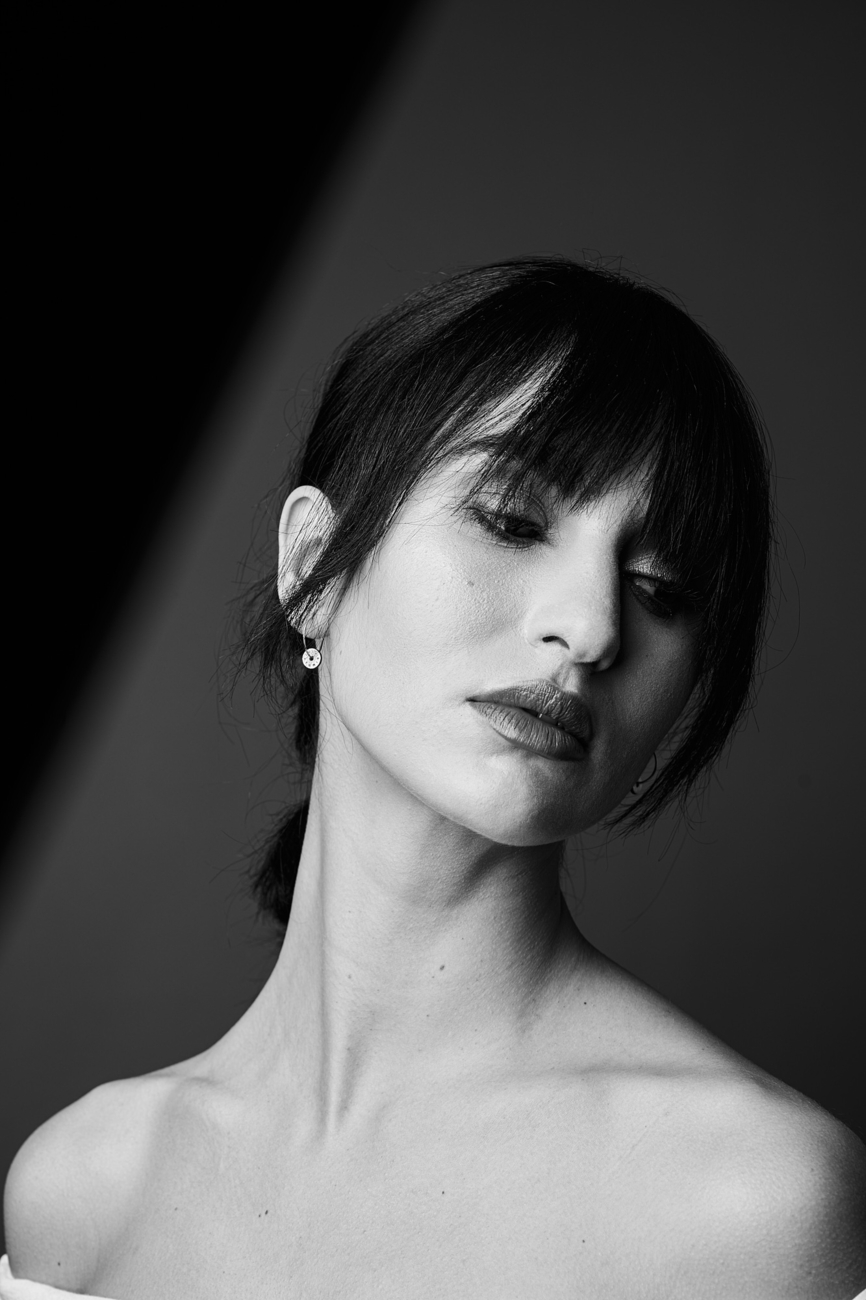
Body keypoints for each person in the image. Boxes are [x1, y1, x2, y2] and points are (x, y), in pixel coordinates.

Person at [3, 257, 865, 1299]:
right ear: (312, 567)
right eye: (511, 520)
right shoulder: (87, 1194)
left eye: (661, 589)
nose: (592, 627)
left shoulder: (754, 1208)